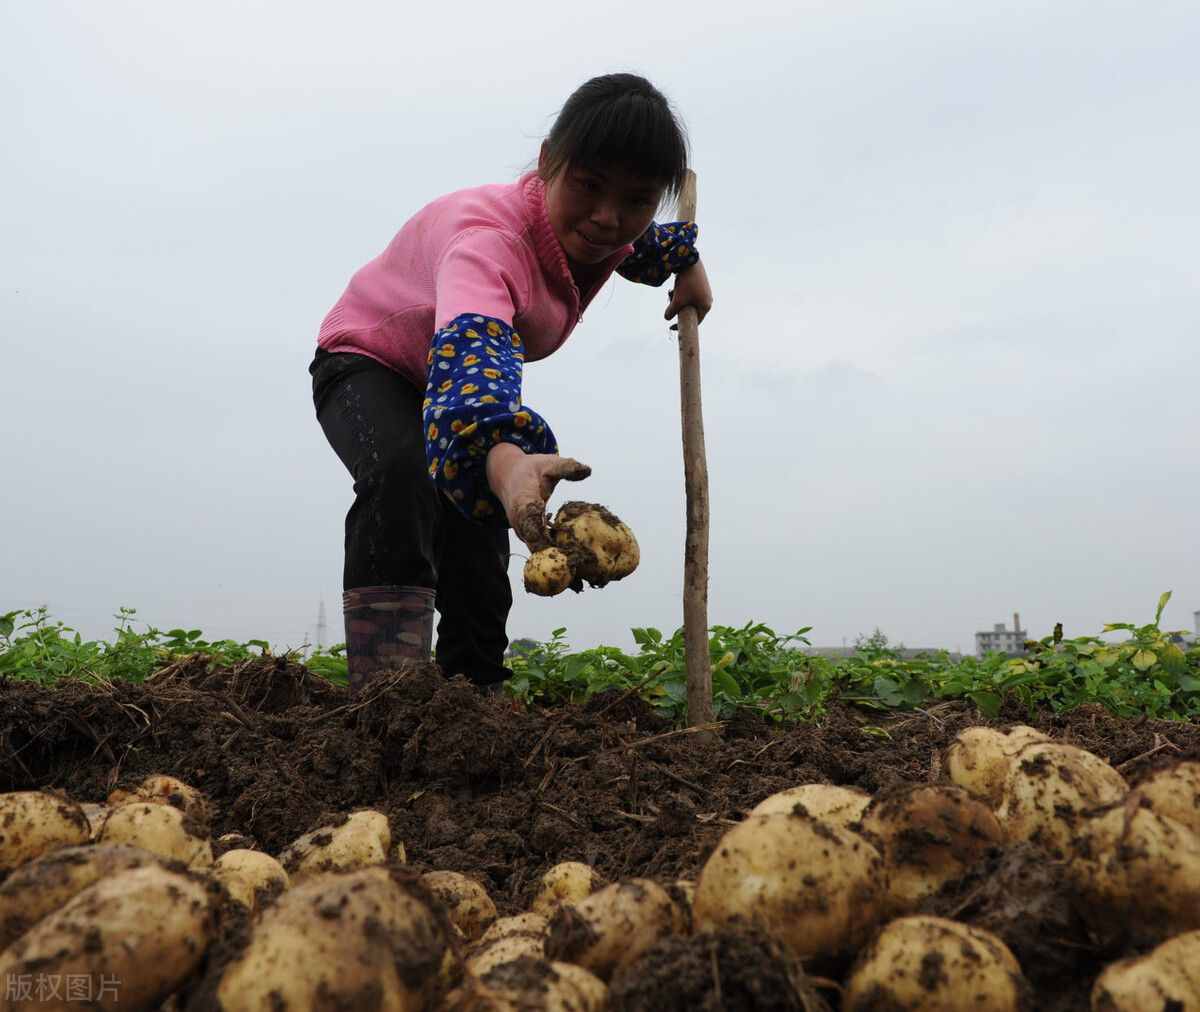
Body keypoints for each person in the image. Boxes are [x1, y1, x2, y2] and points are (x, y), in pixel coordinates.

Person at [309, 73, 713, 696]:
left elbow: (641, 246)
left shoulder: (604, 233)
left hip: (448, 388)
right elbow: (474, 372)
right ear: (550, 161)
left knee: (475, 529)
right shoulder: (488, 245)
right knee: (402, 474)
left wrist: (689, 270)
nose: (608, 218)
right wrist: (505, 464)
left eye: (636, 199)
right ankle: (385, 699)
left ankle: (475, 696)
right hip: (366, 361)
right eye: (589, 186)